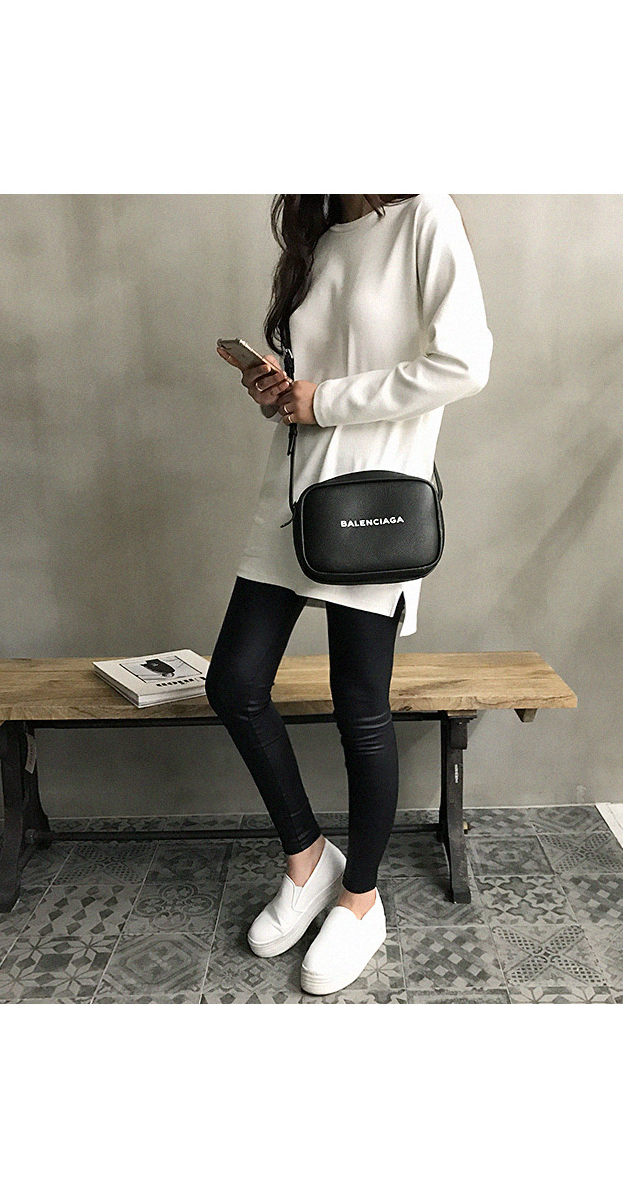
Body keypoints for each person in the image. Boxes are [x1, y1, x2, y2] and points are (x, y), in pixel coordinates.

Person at [206, 189, 493, 984]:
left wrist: (326, 399)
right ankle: (307, 859)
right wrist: (280, 393)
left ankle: (361, 898)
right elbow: (315, 382)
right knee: (234, 682)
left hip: (372, 499)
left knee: (359, 705)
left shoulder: (425, 216)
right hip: (293, 496)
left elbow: (465, 362)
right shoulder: (320, 236)